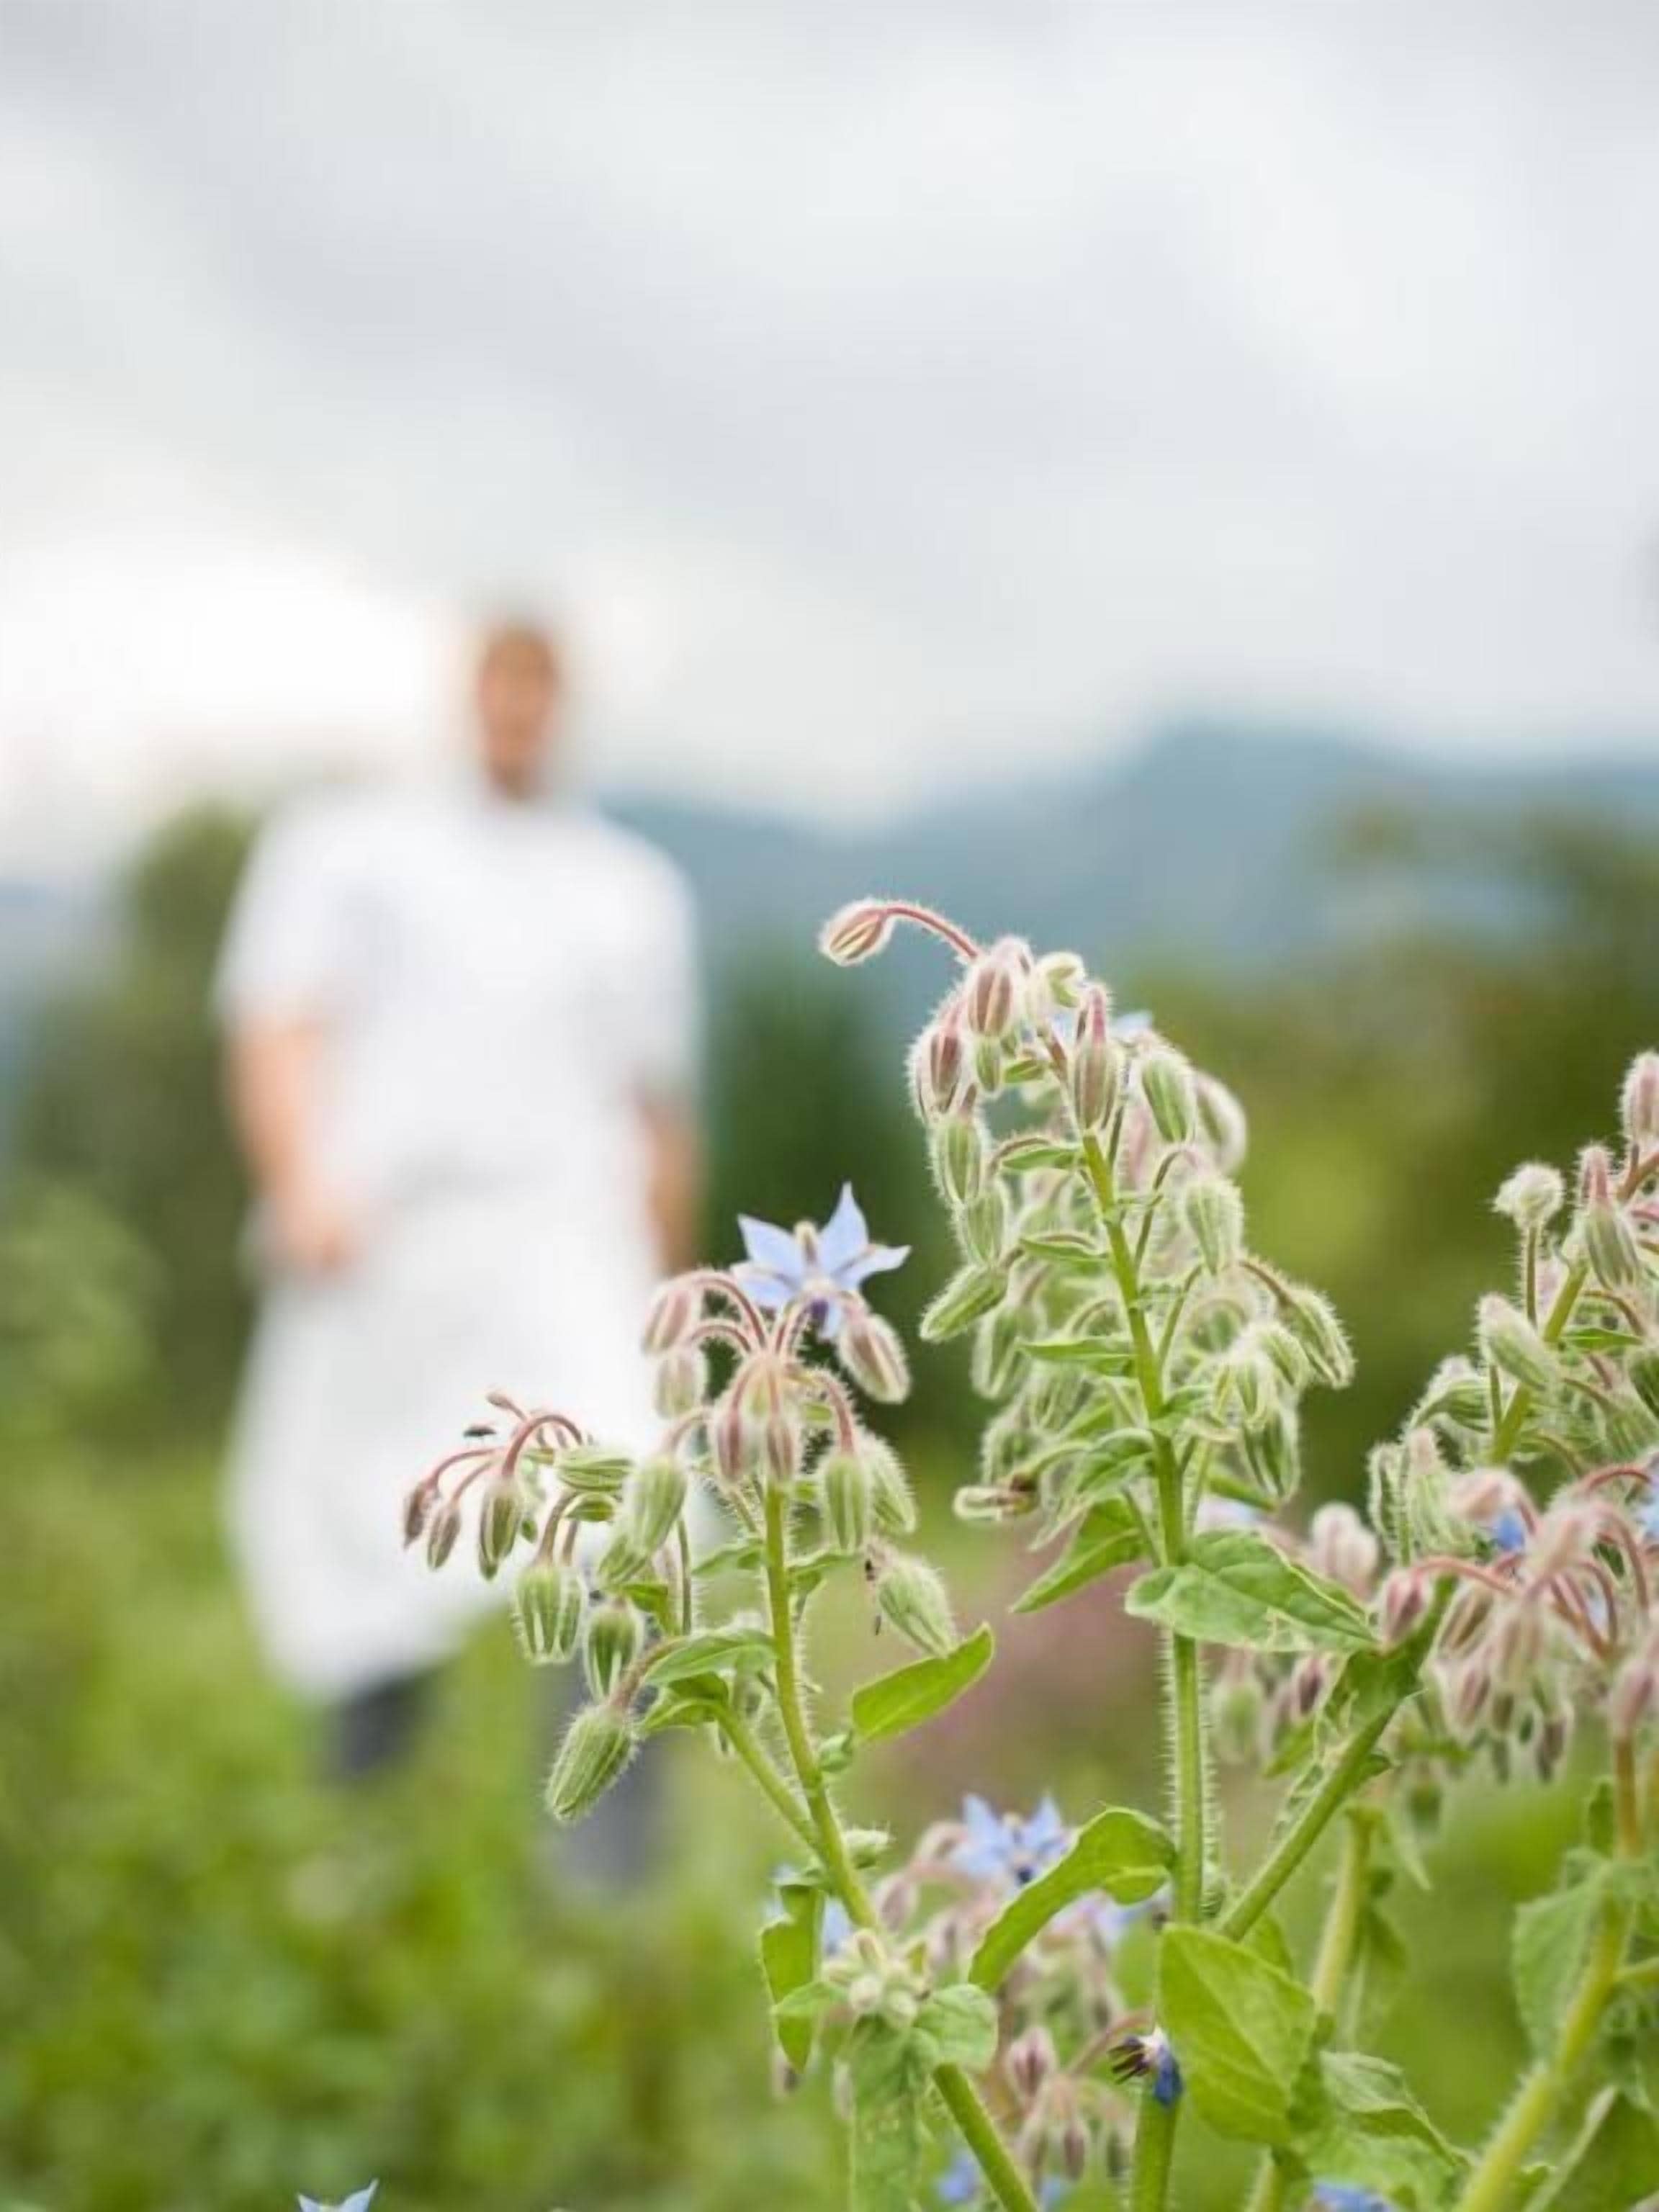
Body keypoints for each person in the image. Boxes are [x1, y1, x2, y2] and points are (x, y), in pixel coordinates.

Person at [216, 618, 700, 1781]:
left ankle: (605, 1893)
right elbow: (277, 1022)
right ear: (467, 692)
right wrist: (300, 1186)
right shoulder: (350, 847)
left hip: (571, 1248)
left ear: (564, 704)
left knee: (635, 1520)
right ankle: (361, 1844)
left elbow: (658, 1111)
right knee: (375, 1539)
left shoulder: (627, 887)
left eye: (541, 689)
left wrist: (681, 1301)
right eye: (502, 684)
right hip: (392, 1240)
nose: (518, 710)